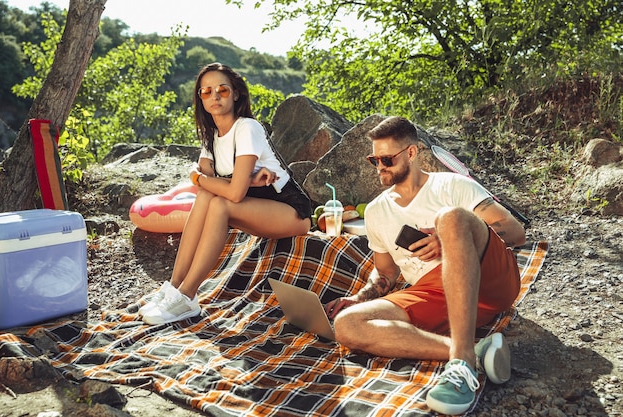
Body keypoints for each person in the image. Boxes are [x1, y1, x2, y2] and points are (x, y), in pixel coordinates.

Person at [324, 116, 526, 415]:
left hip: (489, 278)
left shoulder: (452, 185)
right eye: (374, 159)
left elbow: (515, 231)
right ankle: (471, 352)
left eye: (387, 158)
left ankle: (460, 366)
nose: (379, 166)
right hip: (433, 293)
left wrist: (451, 239)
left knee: (451, 218)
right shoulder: (377, 210)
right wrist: (358, 298)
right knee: (347, 325)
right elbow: (386, 272)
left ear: (411, 153)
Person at [138, 63, 312, 325]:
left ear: (236, 94)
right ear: (200, 98)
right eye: (206, 92)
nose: (214, 96)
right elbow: (209, 185)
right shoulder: (211, 136)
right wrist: (245, 181)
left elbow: (227, 189)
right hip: (255, 207)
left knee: (219, 203)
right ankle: (174, 286)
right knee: (208, 197)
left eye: (222, 90)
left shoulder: (247, 128)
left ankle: (188, 296)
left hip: (290, 211)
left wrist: (199, 177)